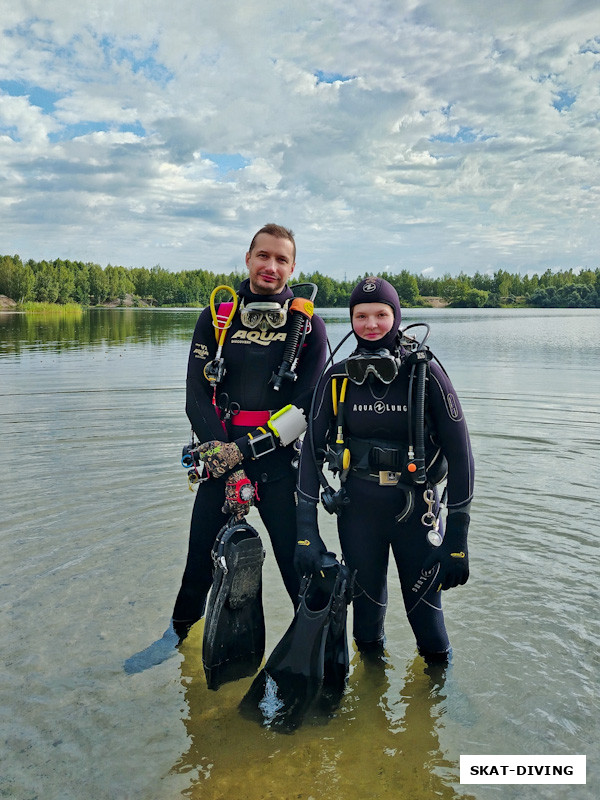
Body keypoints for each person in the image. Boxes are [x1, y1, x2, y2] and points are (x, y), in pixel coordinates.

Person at [294, 276, 474, 663]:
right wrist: (306, 532)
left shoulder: (425, 375)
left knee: (428, 626)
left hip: (417, 512)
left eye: (381, 314)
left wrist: (457, 538)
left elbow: (462, 456)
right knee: (365, 626)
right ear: (351, 319)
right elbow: (309, 453)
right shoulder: (337, 376)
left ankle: (438, 699)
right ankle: (369, 705)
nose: (371, 324)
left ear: (396, 316)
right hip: (358, 512)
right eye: (361, 315)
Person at [171, 223, 328, 643]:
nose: (270, 266)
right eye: (263, 255)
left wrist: (240, 452)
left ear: (293, 268)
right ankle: (178, 642)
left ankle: (316, 655)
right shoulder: (218, 317)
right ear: (247, 258)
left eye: (281, 259)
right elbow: (195, 396)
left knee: (299, 572)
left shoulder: (309, 328)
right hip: (220, 466)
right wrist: (225, 459)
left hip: (277, 466)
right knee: (196, 572)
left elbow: (309, 405)